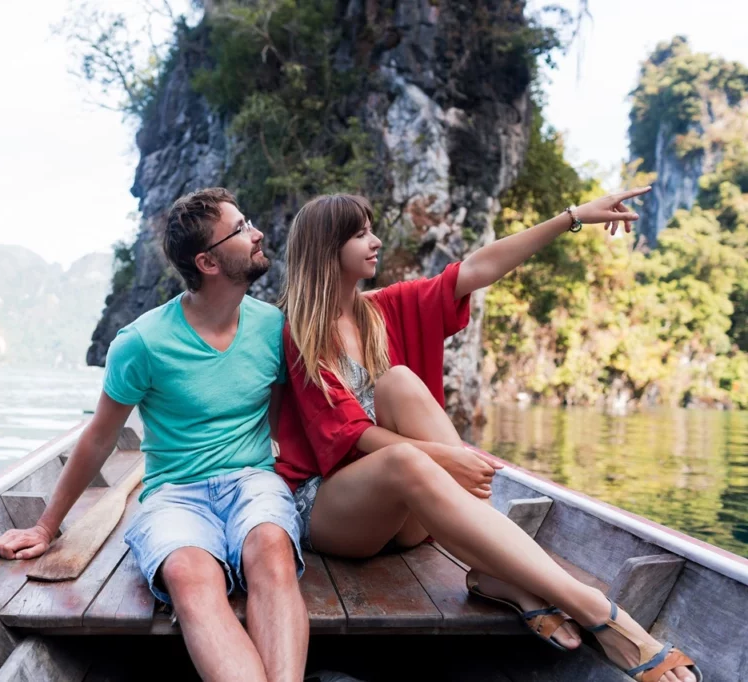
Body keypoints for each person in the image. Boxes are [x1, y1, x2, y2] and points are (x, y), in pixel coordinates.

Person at [275, 189, 702, 682]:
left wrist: (572, 218)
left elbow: (476, 269)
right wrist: (443, 457)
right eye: (360, 234)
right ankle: (599, 612)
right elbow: (351, 436)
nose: (375, 241)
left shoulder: (381, 311)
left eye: (371, 229)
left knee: (401, 382)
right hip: (335, 513)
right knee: (407, 461)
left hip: (409, 515)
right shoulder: (300, 330)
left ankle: (499, 575)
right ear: (327, 250)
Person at [0, 188, 309, 682]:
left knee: (271, 546)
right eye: (241, 228)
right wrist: (45, 526)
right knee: (187, 572)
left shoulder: (273, 327)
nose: (258, 233)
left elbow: (286, 421)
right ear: (207, 261)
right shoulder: (142, 342)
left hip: (252, 480)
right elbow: (100, 438)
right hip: (175, 494)